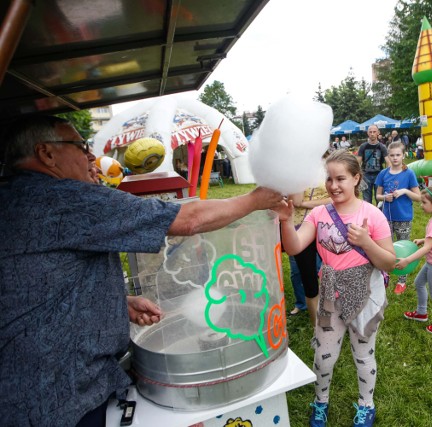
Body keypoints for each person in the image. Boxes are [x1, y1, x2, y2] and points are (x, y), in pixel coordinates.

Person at [0, 115, 286, 427]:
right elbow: (187, 220)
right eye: (80, 146)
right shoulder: (61, 198)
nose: (90, 156)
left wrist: (116, 302)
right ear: (47, 153)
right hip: (59, 398)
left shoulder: (14, 196)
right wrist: (256, 199)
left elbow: (38, 284)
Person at [276, 149, 395, 427]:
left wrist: (366, 242)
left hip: (365, 295)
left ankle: (367, 404)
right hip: (330, 296)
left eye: (340, 178)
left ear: (356, 178)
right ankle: (320, 401)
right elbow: (293, 246)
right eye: (328, 179)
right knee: (323, 356)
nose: (333, 185)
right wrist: (284, 220)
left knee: (364, 353)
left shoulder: (372, 215)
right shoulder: (319, 213)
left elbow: (389, 262)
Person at [396, 184, 432, 334]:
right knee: (419, 283)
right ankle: (421, 312)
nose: (421, 206)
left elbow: (427, 249)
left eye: (424, 203)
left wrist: (407, 260)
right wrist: (424, 239)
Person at [288, 165, 332, 325]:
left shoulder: (329, 165)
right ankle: (316, 324)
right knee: (302, 273)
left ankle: (333, 314)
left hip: (327, 225)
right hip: (301, 226)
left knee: (330, 271)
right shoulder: (296, 170)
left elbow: (333, 199)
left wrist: (307, 204)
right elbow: (296, 200)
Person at [374, 141, 421, 294]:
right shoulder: (383, 174)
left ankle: (402, 281)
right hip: (386, 218)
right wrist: (384, 197)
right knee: (387, 248)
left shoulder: (409, 174)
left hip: (403, 218)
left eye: (398, 155)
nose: (395, 158)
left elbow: (418, 197)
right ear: (388, 156)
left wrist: (405, 191)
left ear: (403, 155)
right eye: (392, 155)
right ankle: (385, 274)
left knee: (403, 247)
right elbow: (377, 195)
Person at [357, 125, 389, 205]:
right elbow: (358, 162)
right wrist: (359, 175)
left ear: (378, 133)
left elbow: (388, 162)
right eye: (370, 132)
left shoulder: (382, 147)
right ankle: (368, 217)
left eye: (374, 132)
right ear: (368, 133)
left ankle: (379, 216)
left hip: (379, 175)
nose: (372, 134)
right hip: (365, 175)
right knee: (366, 201)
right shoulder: (363, 146)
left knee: (379, 200)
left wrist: (386, 175)